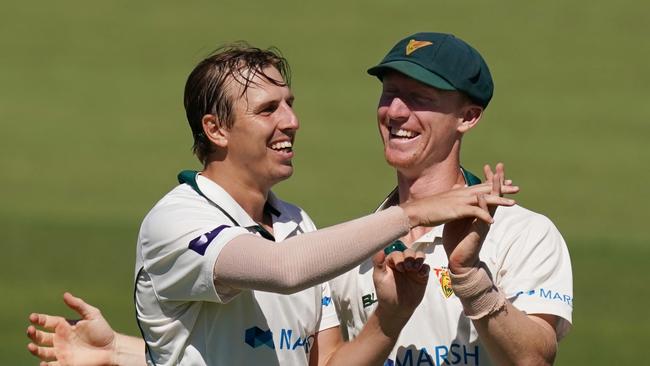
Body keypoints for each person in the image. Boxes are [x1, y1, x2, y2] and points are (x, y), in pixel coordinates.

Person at [27, 42, 516, 366]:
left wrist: (391, 316)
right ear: (215, 129)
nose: (292, 120)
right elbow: (282, 270)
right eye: (267, 110)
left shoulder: (297, 224)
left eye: (289, 102)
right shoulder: (176, 222)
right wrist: (412, 213)